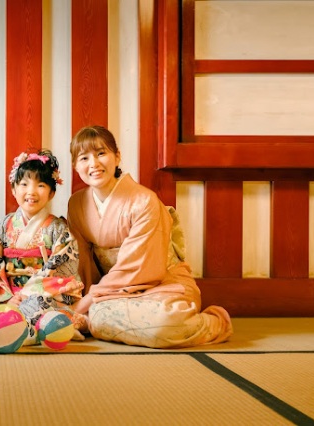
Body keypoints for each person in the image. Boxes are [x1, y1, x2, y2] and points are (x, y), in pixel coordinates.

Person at [67, 125, 233, 348]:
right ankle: (95, 317)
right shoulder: (77, 204)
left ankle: (215, 322)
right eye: (84, 158)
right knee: (97, 313)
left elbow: (137, 267)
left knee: (163, 324)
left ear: (117, 156)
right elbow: (83, 261)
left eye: (101, 153)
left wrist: (87, 302)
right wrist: (84, 298)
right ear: (75, 165)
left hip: (161, 285)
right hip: (113, 293)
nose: (94, 164)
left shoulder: (144, 201)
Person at [0, 150, 87, 344]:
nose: (32, 191)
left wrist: (27, 294)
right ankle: (44, 329)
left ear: (52, 193)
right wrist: (8, 298)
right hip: (9, 298)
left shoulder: (59, 229)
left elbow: (63, 268)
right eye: (24, 184)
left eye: (41, 185)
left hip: (45, 296)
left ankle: (24, 328)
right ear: (13, 189)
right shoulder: (1, 228)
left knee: (39, 306)